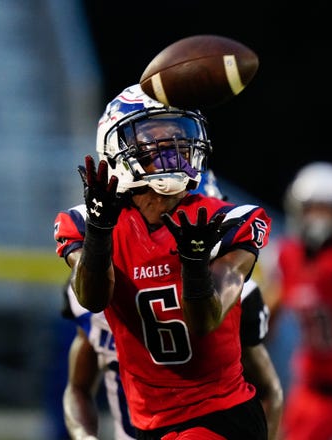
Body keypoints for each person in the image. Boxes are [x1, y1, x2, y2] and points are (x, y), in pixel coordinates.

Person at [65, 83, 272, 439]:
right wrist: (99, 235)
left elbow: (205, 320)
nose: (172, 149)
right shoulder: (89, 222)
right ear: (117, 147)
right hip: (148, 422)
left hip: (219, 413)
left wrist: (194, 266)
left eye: (179, 136)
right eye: (154, 139)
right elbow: (92, 298)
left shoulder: (230, 220)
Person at [55, 173, 282, 440]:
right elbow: (78, 388)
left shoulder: (235, 294)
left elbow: (268, 392)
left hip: (208, 421)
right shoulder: (92, 290)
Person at [260, 161, 332, 440]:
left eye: (326, 210)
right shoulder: (286, 256)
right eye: (312, 208)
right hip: (309, 384)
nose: (318, 219)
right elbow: (267, 315)